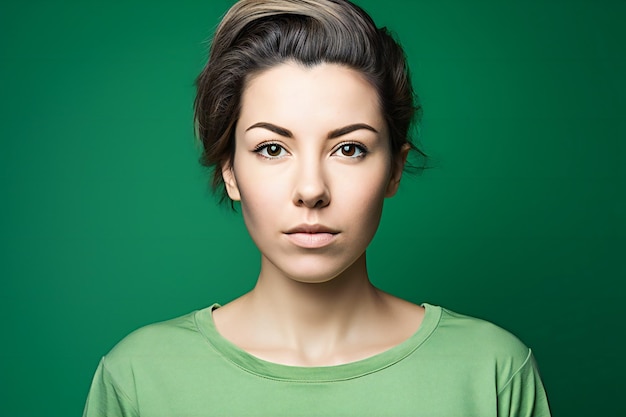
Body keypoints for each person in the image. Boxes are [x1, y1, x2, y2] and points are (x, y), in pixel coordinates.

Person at [83, 1, 551, 416]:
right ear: (229, 171)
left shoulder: (493, 372)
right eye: (271, 148)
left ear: (393, 169)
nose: (311, 189)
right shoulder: (139, 379)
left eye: (349, 149)